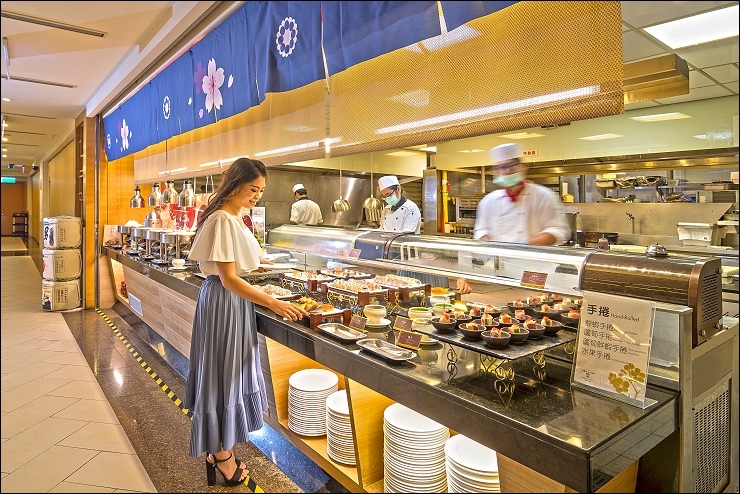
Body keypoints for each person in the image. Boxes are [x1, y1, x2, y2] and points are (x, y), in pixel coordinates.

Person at [184, 158, 308, 487]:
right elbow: (227, 278)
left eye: (261, 191)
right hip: (226, 302)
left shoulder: (233, 217)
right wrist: (273, 302)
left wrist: (259, 264)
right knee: (225, 377)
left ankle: (220, 446)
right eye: (253, 189)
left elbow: (234, 265)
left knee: (228, 374)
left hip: (231, 302)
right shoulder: (223, 219)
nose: (257, 196)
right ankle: (221, 455)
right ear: (236, 184)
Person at [377, 176, 472, 294]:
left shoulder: (411, 208)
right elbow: (381, 230)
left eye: (388, 194)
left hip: (407, 258)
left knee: (410, 291)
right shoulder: (386, 209)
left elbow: (405, 237)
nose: (387, 198)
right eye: (384, 196)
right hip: (391, 257)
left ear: (398, 189)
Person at [473, 143, 570, 245]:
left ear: (523, 167)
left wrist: (524, 245)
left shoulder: (544, 196)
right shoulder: (488, 201)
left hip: (533, 255)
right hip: (498, 254)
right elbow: (481, 231)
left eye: (511, 166)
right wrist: (491, 247)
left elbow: (556, 232)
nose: (506, 171)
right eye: (500, 167)